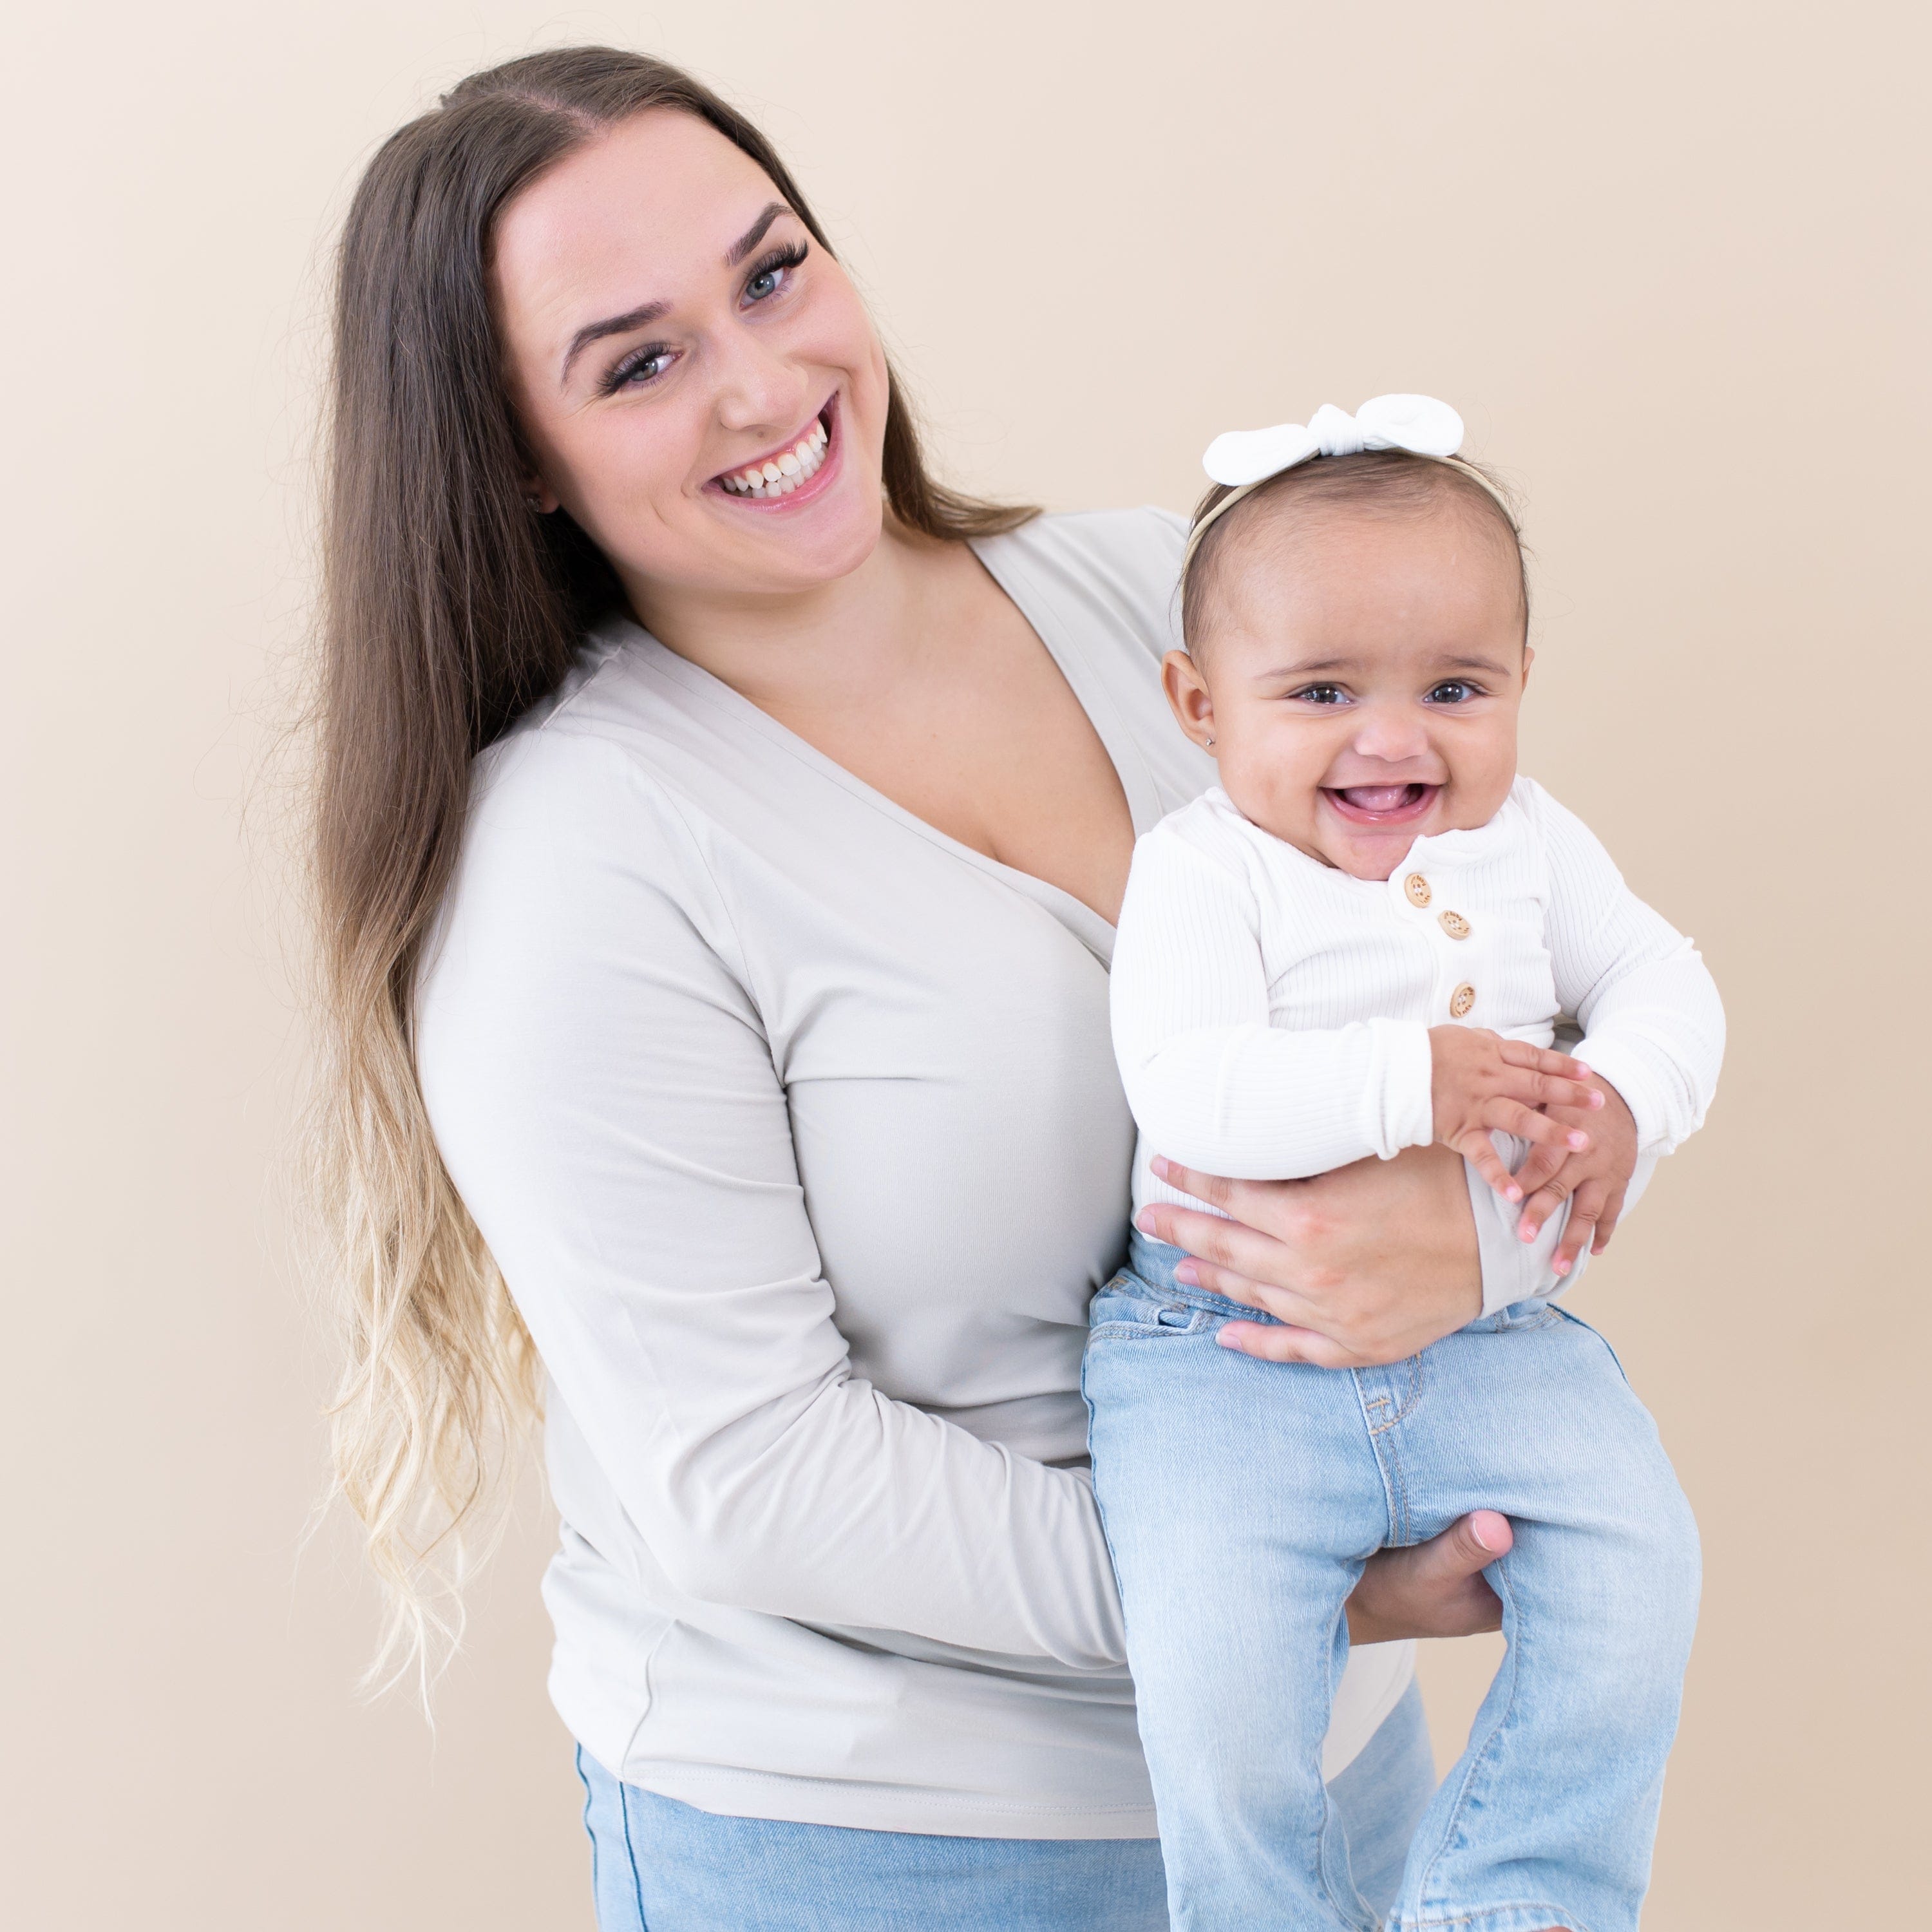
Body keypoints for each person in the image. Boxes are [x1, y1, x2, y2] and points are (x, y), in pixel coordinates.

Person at [311, 49, 1643, 1931]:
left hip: (1325, 1778)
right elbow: (751, 1478)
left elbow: (1525, 1010)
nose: (764, 385)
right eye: (639, 359)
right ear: (516, 451)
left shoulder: (1165, 610)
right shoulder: (577, 856)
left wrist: (1488, 1252)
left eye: (773, 275)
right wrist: (1287, 1583)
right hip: (884, 1845)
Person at [1092, 398, 1721, 1930]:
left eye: (1455, 685)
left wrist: (1629, 1101)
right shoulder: (1201, 870)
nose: (1393, 737)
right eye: (1319, 691)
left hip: (1494, 1336)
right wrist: (1408, 1081)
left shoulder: (1536, 845)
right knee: (1222, 1691)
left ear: (1518, 688)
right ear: (1199, 702)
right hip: (1218, 1357)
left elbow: (1669, 976)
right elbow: (1185, 1085)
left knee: (1639, 1575)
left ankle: (1512, 1894)